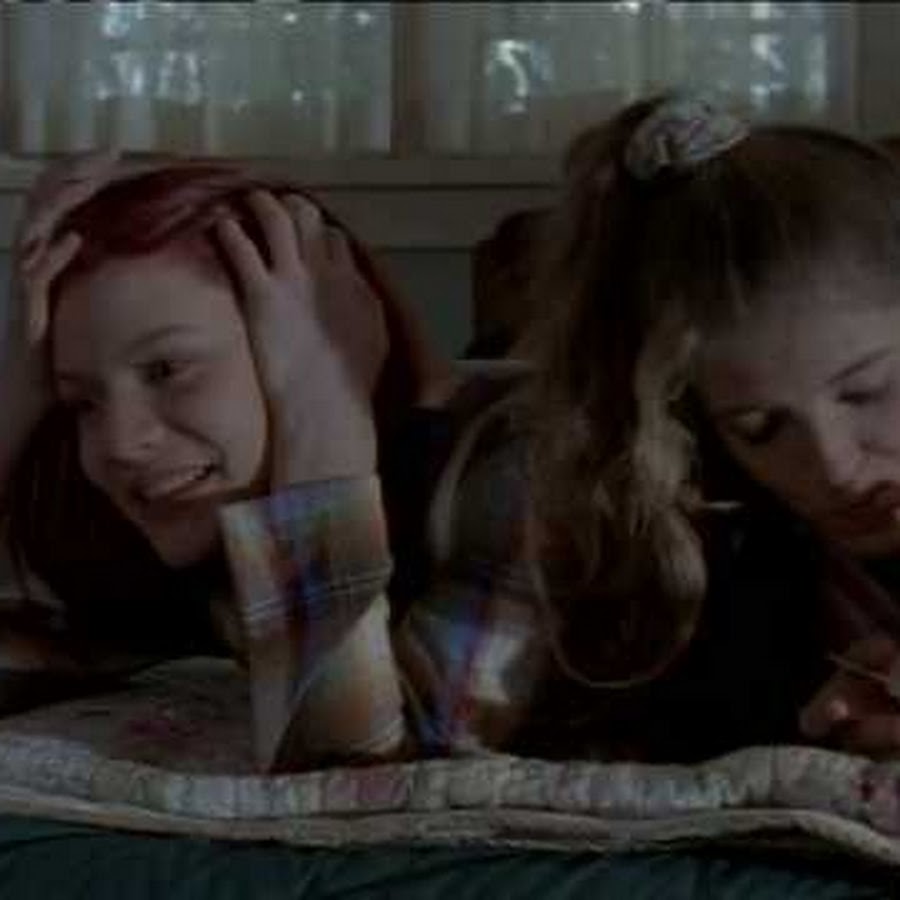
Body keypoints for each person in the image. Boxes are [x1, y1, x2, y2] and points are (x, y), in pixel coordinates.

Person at [0, 154, 456, 771]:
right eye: (82, 401)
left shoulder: (492, 488)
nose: (119, 443)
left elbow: (335, 765)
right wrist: (16, 399)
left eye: (166, 370)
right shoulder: (193, 552)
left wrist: (325, 409)